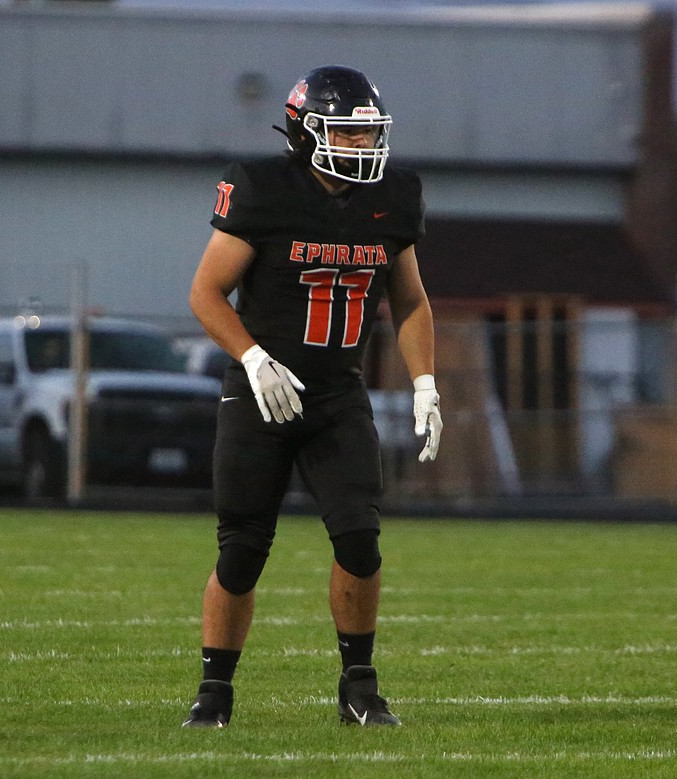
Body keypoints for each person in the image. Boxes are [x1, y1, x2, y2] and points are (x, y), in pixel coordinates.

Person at [181, 65, 442, 729]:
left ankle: (359, 686)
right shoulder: (262, 189)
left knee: (360, 539)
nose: (363, 146)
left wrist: (425, 381)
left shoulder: (393, 197)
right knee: (242, 548)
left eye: (368, 133)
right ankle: (214, 694)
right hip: (261, 392)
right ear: (307, 132)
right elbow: (205, 293)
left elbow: (409, 298)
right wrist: (252, 355)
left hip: (335, 393)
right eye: (348, 133)